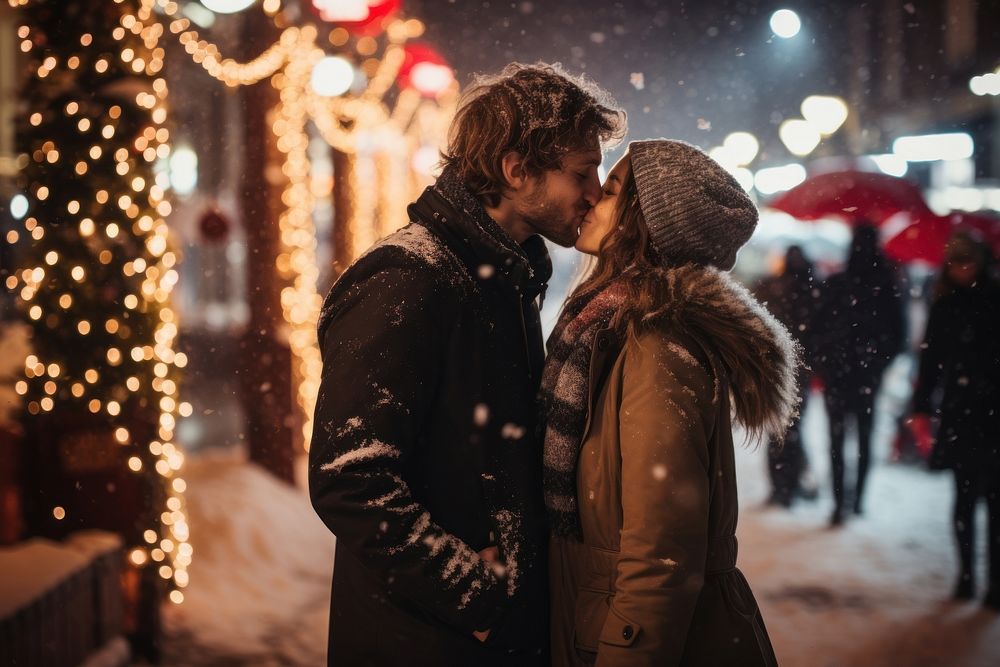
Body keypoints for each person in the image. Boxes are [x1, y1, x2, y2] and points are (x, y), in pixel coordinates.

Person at [308, 63, 625, 666]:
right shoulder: (409, 280)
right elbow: (351, 478)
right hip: (422, 642)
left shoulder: (505, 276)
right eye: (582, 172)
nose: (594, 190)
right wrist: (477, 599)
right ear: (516, 170)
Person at [543, 140, 799, 666]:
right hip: (601, 615)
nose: (591, 199)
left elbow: (660, 551)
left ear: (645, 223)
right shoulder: (610, 325)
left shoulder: (656, 347)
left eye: (611, 191)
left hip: (633, 634)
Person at [909, 230, 1000, 609]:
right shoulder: (944, 304)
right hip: (962, 412)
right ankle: (966, 576)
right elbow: (930, 362)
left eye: (968, 261)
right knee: (963, 496)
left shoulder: (994, 299)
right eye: (955, 262)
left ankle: (995, 584)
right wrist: (920, 407)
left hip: (992, 413)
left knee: (994, 501)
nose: (962, 269)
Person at [812, 224, 905, 526]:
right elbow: (897, 334)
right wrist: (879, 363)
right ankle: (857, 500)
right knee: (862, 436)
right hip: (865, 374)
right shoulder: (886, 284)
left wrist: (825, 362)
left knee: (837, 439)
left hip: (839, 372)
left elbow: (817, 329)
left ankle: (841, 503)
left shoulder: (838, 282)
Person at [755, 245, 820, 507]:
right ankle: (790, 484)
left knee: (777, 428)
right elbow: (817, 334)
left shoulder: (772, 287)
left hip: (775, 369)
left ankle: (779, 486)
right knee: (793, 428)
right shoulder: (812, 290)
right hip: (799, 371)